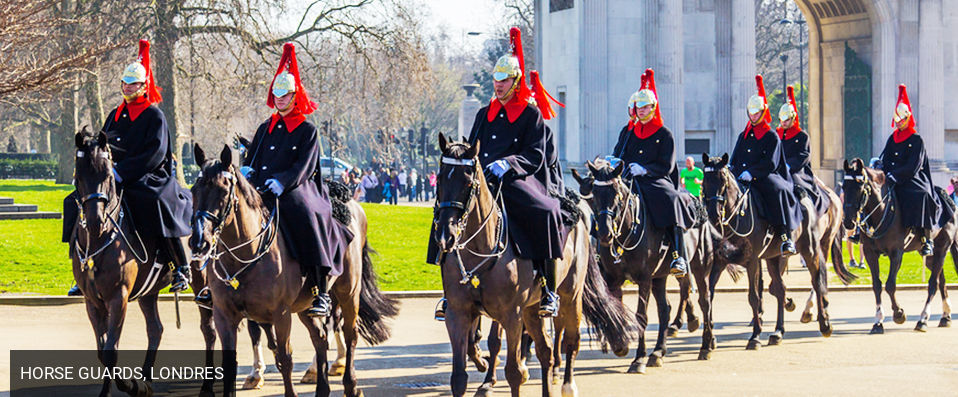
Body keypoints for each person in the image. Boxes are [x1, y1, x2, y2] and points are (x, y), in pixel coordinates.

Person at [427, 27, 566, 319]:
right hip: (483, 179)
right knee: (445, 212)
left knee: (545, 212)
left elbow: (536, 155)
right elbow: (471, 145)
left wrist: (509, 163)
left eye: (504, 80)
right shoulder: (484, 113)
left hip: (517, 179)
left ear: (515, 82)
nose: (498, 85)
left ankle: (548, 289)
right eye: (496, 79)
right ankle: (448, 293)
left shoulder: (530, 115)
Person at [63, 40, 192, 296]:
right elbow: (104, 145)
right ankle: (79, 265)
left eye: (132, 83)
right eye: (125, 83)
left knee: (155, 201)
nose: (127, 87)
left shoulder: (154, 115)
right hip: (115, 175)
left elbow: (154, 154)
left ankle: (180, 266)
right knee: (74, 201)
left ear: (144, 86)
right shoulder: (116, 113)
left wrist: (123, 172)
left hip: (149, 176)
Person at [237, 43, 352, 317]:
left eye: (284, 94)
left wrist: (283, 182)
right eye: (276, 94)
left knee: (305, 215)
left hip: (297, 188)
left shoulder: (306, 129)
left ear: (294, 96)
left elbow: (304, 166)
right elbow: (253, 156)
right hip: (262, 188)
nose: (279, 99)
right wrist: (246, 171)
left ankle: (321, 289)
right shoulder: (266, 127)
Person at [609, 69, 696, 277]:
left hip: (655, 179)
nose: (640, 110)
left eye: (645, 106)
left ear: (653, 107)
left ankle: (677, 255)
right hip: (629, 178)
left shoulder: (664, 134)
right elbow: (618, 153)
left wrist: (646, 169)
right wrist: (613, 161)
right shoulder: (629, 131)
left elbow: (667, 165)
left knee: (671, 198)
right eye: (638, 106)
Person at [728, 75, 801, 255]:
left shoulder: (770, 136)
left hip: (764, 176)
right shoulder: (743, 135)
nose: (753, 116)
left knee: (779, 191)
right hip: (742, 177)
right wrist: (732, 170)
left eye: (756, 113)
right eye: (751, 113)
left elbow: (770, 163)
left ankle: (785, 236)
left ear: (763, 112)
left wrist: (751, 173)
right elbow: (735, 157)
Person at [878, 84, 946, 256]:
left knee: (922, 195)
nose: (898, 123)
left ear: (907, 118)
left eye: (901, 120)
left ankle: (926, 238)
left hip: (912, 178)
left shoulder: (916, 140)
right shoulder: (892, 138)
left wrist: (896, 175)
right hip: (892, 177)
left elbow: (914, 165)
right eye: (897, 120)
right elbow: (886, 158)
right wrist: (885, 172)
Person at [777, 85, 830, 216]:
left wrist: (788, 165)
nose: (784, 123)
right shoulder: (777, 135)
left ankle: (805, 213)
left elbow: (804, 155)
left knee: (796, 184)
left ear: (793, 118)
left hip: (797, 170)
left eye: (787, 120)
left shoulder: (802, 136)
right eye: (782, 120)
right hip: (778, 169)